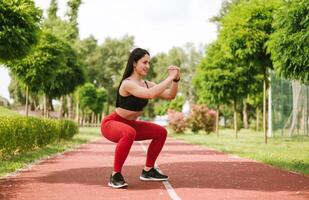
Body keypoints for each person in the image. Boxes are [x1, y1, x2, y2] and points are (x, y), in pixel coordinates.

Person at [100, 47, 180, 189]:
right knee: (128, 132)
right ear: (134, 63)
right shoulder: (127, 83)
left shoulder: (147, 84)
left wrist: (176, 80)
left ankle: (148, 170)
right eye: (144, 62)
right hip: (112, 123)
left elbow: (170, 95)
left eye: (149, 63)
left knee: (161, 132)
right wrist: (169, 77)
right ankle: (115, 175)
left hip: (131, 124)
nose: (147, 66)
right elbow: (149, 94)